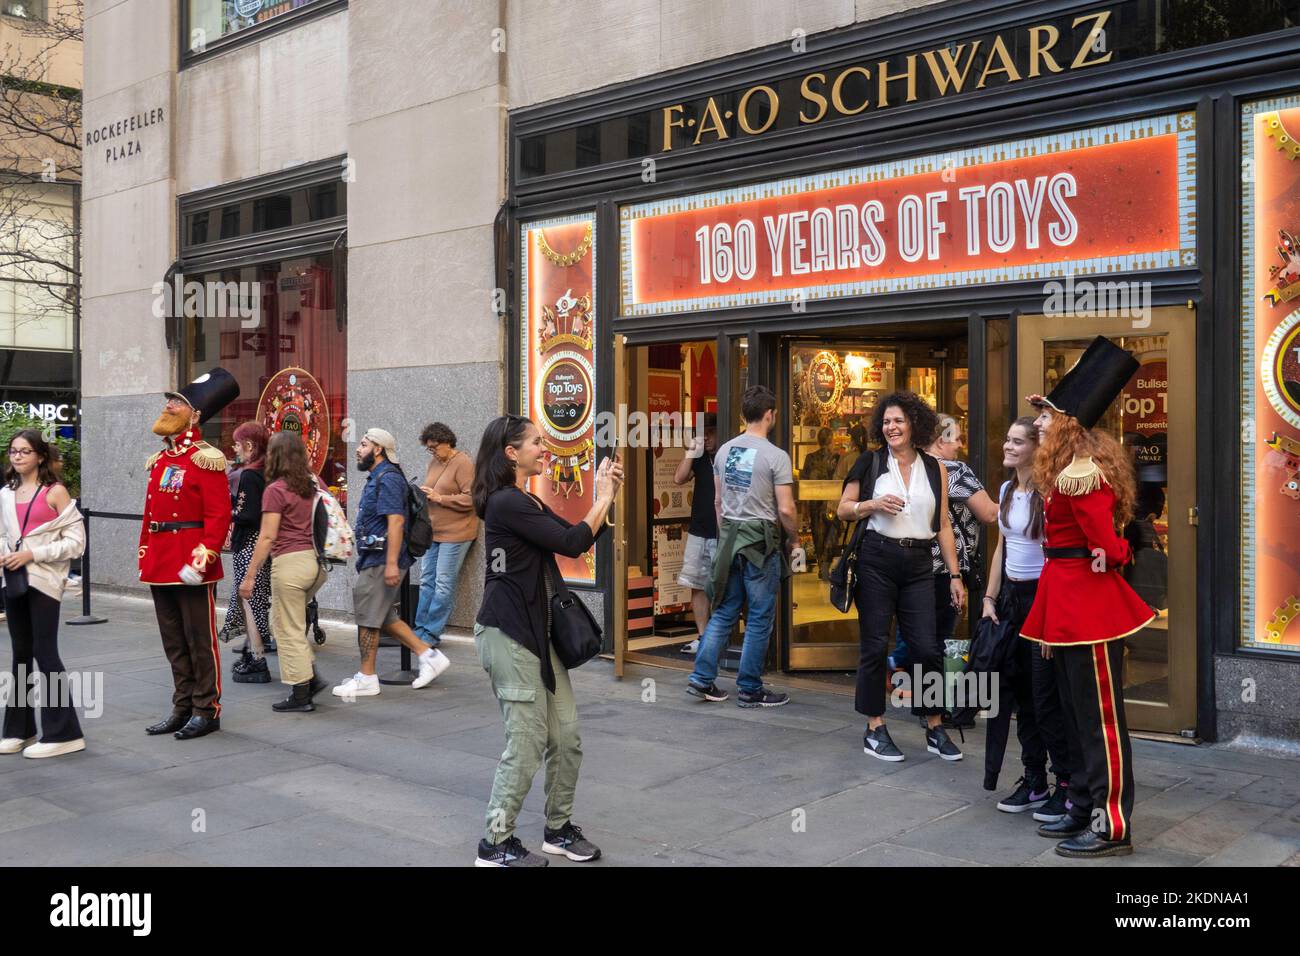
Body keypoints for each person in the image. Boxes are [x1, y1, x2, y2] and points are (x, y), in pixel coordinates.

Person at [1021, 336, 1153, 859]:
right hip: (1068, 598)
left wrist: (1115, 552)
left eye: (1047, 416)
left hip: (1089, 607)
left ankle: (1111, 821)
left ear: (1069, 424)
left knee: (1100, 718)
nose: (1038, 423)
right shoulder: (1065, 471)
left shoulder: (1081, 474)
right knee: (1078, 714)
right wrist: (1109, 550)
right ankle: (1082, 803)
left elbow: (1108, 543)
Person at [471, 414, 623, 867]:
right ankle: (494, 843)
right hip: (508, 633)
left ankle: (558, 830)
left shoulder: (524, 501)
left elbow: (577, 535)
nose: (546, 448)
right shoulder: (504, 503)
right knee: (527, 741)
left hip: (539, 637)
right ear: (510, 453)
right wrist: (602, 496)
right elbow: (575, 542)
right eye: (537, 442)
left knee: (567, 737)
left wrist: (605, 497)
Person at [835, 391, 965, 762]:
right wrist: (872, 505)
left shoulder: (934, 467)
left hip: (921, 562)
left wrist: (954, 574)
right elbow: (844, 509)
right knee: (875, 644)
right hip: (877, 558)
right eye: (887, 421)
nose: (892, 427)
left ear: (914, 424)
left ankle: (934, 725)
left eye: (899, 421)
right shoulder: (872, 462)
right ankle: (875, 726)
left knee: (927, 646)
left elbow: (942, 525)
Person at [980, 417, 1076, 819]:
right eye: (1007, 439)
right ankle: (1034, 779)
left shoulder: (1048, 494)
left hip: (1043, 597)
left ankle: (1066, 785)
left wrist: (1051, 615)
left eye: (1017, 442)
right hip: (1011, 601)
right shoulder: (1005, 489)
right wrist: (989, 596)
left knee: (1044, 696)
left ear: (1037, 449)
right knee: (1017, 693)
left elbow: (1055, 555)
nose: (1007, 446)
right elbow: (1003, 547)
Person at [139, 369, 238, 741]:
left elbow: (219, 514)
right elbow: (150, 516)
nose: (168, 405)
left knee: (200, 639)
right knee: (173, 640)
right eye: (170, 400)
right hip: (161, 560)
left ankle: (206, 708)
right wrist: (145, 553)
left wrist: (205, 557)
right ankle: (182, 705)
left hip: (191, 560)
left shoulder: (206, 458)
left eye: (177, 402)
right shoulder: (160, 461)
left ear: (194, 415)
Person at [687, 385, 797, 708]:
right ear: (769, 415)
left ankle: (701, 678)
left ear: (743, 415)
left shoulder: (723, 451)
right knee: (760, 616)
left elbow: (718, 502)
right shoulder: (776, 456)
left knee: (723, 611)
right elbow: (786, 510)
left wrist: (726, 539)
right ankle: (749, 687)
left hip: (730, 539)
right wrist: (794, 537)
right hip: (759, 542)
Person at [332, 428, 448, 698]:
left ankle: (367, 676)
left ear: (378, 449)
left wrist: (393, 562)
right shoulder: (379, 477)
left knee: (368, 617)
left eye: (363, 444)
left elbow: (395, 521)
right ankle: (428, 656)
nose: (358, 449)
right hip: (376, 557)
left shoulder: (388, 478)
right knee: (382, 616)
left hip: (383, 558)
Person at [0, 430, 86, 758]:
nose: (17, 456)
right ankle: (18, 731)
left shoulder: (55, 492)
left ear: (39, 456)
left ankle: (64, 733)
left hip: (44, 581)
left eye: (24, 451)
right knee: (20, 654)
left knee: (44, 652)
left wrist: (32, 554)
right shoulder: (6, 494)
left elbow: (77, 542)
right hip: (13, 579)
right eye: (13, 451)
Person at [241, 432, 329, 712]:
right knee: (287, 622)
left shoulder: (276, 490)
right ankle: (311, 678)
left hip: (290, 564)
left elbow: (267, 537)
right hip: (315, 564)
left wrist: (250, 575)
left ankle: (301, 693)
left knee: (286, 628)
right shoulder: (310, 486)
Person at [925, 413, 998, 710]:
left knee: (921, 635)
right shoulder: (954, 470)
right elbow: (990, 514)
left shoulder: (914, 468)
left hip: (915, 566)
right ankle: (940, 705)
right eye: (956, 438)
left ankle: (925, 700)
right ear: (941, 440)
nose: (959, 445)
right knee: (941, 636)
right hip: (945, 567)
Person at [413, 422, 475, 674]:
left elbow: (472, 498)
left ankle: (431, 633)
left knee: (443, 582)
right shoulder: (434, 463)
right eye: (429, 449)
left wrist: (441, 498)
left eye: (434, 447)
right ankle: (419, 630)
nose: (432, 452)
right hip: (434, 531)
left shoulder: (464, 463)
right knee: (427, 579)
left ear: (447, 442)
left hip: (457, 532)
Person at [223, 422, 275, 683]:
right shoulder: (269, 471)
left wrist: (228, 512)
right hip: (263, 544)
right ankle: (252, 650)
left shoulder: (249, 475)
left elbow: (247, 513)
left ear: (250, 445)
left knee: (249, 599)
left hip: (249, 543)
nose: (235, 449)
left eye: (238, 443)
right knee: (255, 599)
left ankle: (256, 657)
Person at [672, 412, 717, 655]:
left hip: (724, 533)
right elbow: (679, 478)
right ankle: (702, 636)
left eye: (711, 432)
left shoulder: (728, 454)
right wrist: (692, 449)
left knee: (726, 586)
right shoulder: (698, 457)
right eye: (703, 433)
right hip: (699, 530)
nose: (706, 438)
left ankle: (724, 637)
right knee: (697, 584)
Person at [801, 426, 840, 580]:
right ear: (831, 440)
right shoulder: (836, 458)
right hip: (831, 502)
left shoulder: (809, 458)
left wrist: (804, 507)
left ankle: (820, 563)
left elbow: (804, 481)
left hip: (815, 502)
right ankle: (825, 564)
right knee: (832, 532)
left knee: (818, 535)